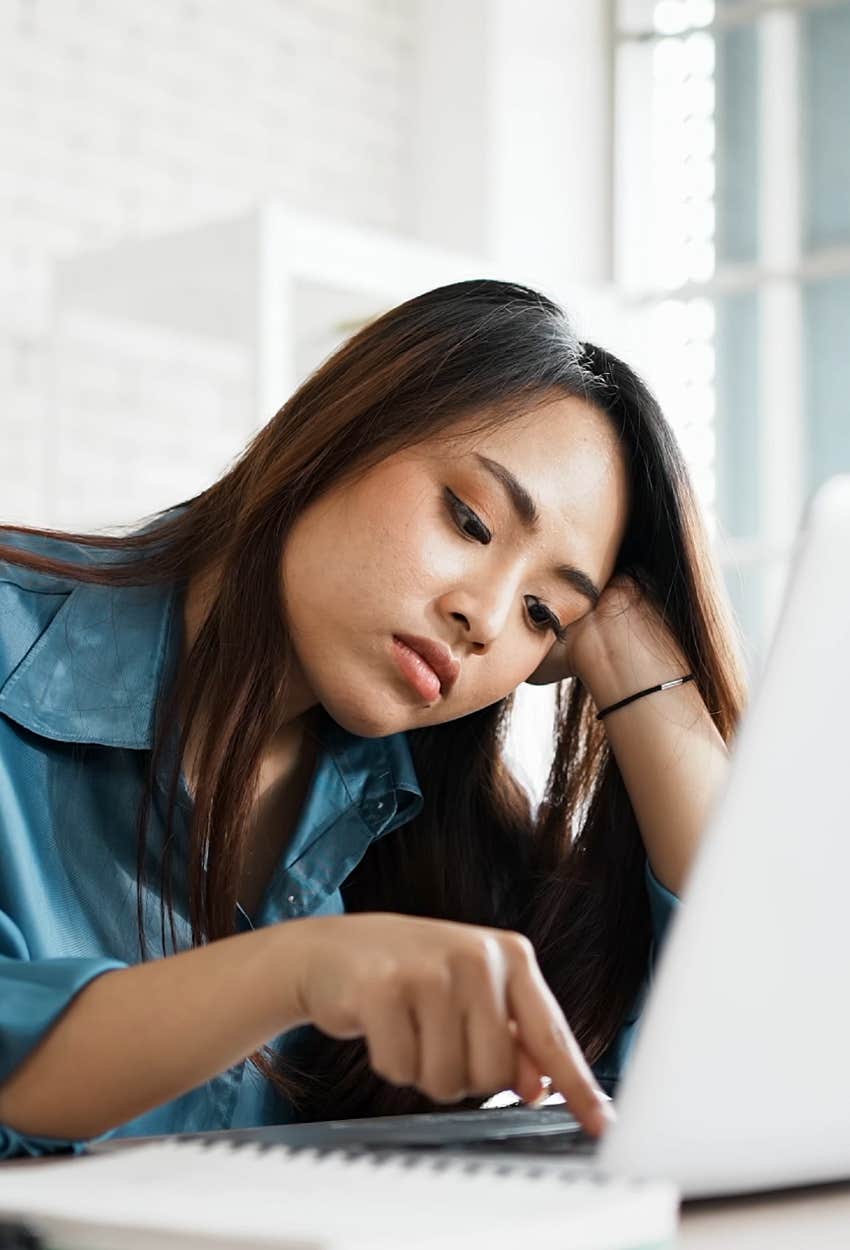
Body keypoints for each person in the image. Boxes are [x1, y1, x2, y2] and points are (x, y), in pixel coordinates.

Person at [0, 279, 746, 1159]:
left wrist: (642, 672)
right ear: (343, 430)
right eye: (470, 520)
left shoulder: (442, 832)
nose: (489, 618)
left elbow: (734, 1067)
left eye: (545, 615)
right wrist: (302, 972)